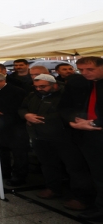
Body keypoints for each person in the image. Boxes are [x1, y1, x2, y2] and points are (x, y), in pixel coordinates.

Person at [20, 74, 94, 211]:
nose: (39, 89)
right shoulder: (32, 95)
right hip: (40, 136)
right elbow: (22, 108)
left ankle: (81, 198)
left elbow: (67, 112)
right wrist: (26, 115)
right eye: (36, 87)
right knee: (48, 164)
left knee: (75, 168)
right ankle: (53, 188)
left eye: (43, 86)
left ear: (54, 84)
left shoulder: (65, 95)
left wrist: (41, 119)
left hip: (64, 138)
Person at [60, 57, 103, 220]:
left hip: (96, 131)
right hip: (87, 135)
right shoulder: (84, 83)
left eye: (89, 69)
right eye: (81, 70)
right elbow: (67, 106)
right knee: (97, 174)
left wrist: (94, 123)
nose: (84, 73)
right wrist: (75, 120)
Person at [0, 72, 28, 186]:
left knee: (18, 153)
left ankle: (18, 176)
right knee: (2, 149)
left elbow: (17, 107)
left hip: (15, 126)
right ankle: (3, 171)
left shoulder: (17, 91)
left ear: (3, 81)